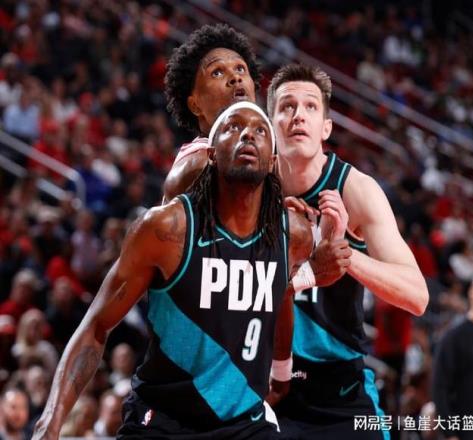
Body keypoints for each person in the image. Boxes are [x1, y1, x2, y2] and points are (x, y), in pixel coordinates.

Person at [32, 102, 351, 439]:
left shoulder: (293, 234)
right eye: (233, 127)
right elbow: (97, 325)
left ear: (272, 162)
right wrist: (49, 424)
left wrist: (282, 371)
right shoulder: (166, 229)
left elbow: (280, 291)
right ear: (211, 154)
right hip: (163, 420)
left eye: (260, 130)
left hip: (242, 424)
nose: (247, 134)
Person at [266, 64, 429, 439]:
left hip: (337, 387)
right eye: (287, 106)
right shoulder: (249, 187)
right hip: (262, 377)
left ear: (326, 127)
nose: (298, 115)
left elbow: (417, 295)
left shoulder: (355, 189)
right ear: (271, 123)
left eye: (310, 106)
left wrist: (345, 254)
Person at [163, 23, 260, 202]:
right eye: (217, 73)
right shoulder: (200, 163)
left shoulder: (255, 152)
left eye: (240, 68)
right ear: (195, 105)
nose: (236, 77)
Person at [432, 271, 473, 440]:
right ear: (472, 294)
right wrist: (450, 433)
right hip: (467, 432)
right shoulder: (453, 337)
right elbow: (439, 388)